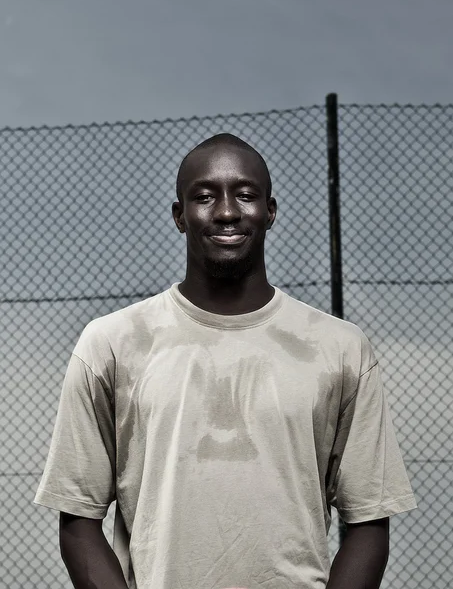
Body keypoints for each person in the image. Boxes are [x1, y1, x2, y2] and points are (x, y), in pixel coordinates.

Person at [34, 133, 417, 589]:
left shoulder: (340, 346)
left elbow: (369, 518)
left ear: (270, 211)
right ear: (179, 216)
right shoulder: (112, 342)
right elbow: (77, 518)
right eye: (204, 196)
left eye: (246, 194)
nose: (227, 211)